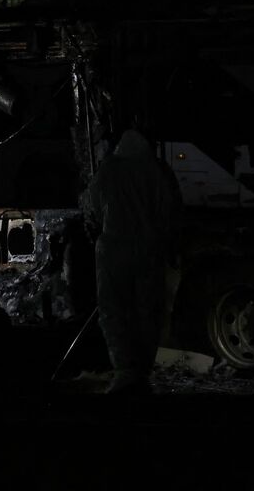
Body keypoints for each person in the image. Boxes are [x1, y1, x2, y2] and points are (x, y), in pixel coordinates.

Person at [80, 129, 182, 395]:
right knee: (147, 311)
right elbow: (169, 210)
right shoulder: (157, 171)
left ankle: (124, 369)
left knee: (113, 310)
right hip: (148, 250)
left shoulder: (108, 170)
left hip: (112, 250)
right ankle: (142, 371)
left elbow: (90, 207)